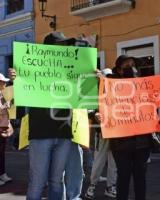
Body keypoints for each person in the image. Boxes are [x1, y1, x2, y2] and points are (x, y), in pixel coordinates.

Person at [9, 32, 78, 200]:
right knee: (38, 181)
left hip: (64, 133)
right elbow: (17, 101)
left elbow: (85, 96)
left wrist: (95, 78)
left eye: (64, 46)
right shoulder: (33, 68)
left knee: (56, 181)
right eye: (60, 46)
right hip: (40, 134)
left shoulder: (71, 69)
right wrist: (15, 81)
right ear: (49, 49)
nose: (63, 49)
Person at [109, 55, 153, 200]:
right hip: (120, 144)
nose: (131, 68)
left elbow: (156, 107)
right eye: (127, 65)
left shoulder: (145, 87)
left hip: (142, 143)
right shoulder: (111, 87)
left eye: (133, 64)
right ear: (120, 71)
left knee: (141, 178)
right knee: (123, 178)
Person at [85, 68, 117, 199]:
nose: (108, 78)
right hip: (102, 132)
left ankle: (111, 186)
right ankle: (92, 185)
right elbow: (88, 108)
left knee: (113, 161)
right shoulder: (94, 91)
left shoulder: (116, 90)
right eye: (106, 76)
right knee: (99, 160)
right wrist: (94, 114)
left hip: (115, 131)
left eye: (110, 76)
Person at [0, 73, 13, 186]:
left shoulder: (4, 94)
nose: (4, 83)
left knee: (2, 152)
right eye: (2, 81)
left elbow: (9, 110)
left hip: (3, 126)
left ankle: (2, 174)